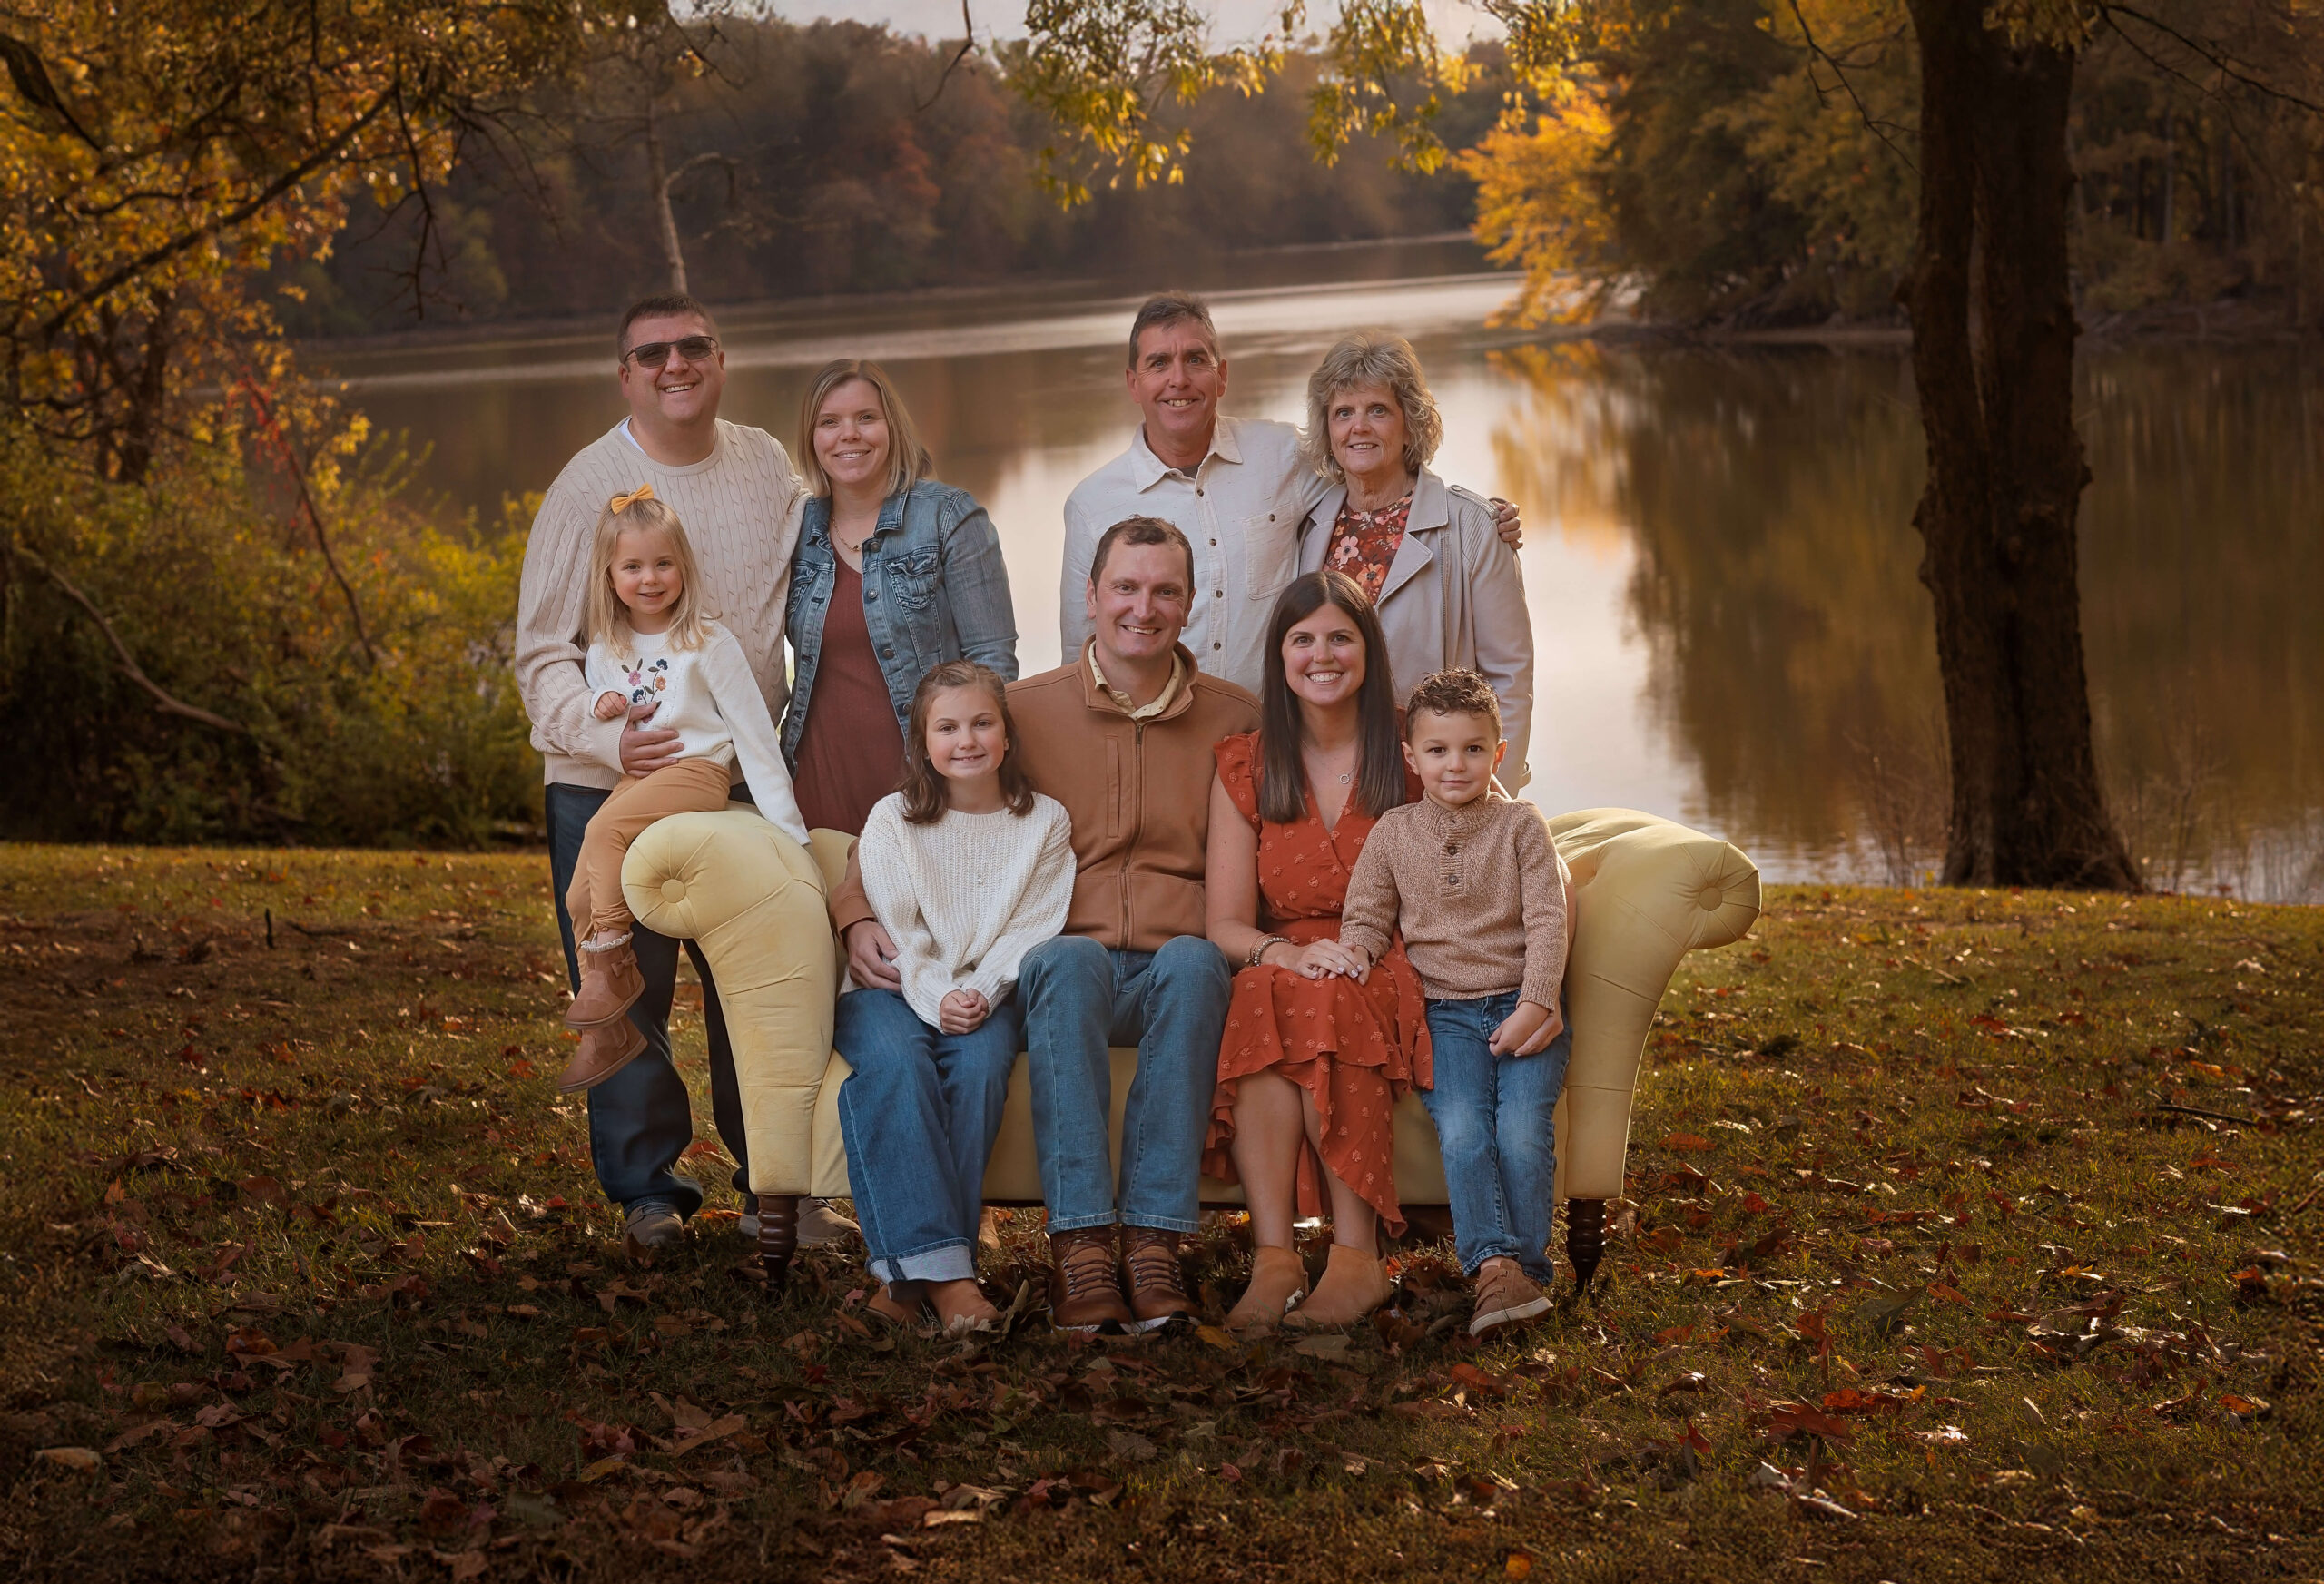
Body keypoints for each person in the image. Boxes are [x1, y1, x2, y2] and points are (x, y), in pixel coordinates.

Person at [832, 515, 1258, 1332]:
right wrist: (854, 914)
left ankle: (1155, 1245)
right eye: (1125, 587)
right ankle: (1083, 1248)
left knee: (1199, 961)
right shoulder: (1016, 712)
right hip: (1058, 968)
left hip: (1176, 964)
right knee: (1064, 960)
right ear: (1090, 595)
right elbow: (915, 823)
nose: (1144, 607)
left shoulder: (1235, 717)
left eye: (1165, 589)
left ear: (1191, 601)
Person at [515, 292, 847, 1257]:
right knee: (627, 980)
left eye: (692, 346)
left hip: (737, 770)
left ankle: (778, 1185)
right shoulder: (588, 487)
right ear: (625, 374)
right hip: (604, 779)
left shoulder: (764, 466)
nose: (675, 365)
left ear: (720, 357)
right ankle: (646, 1192)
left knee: (768, 981)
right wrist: (605, 740)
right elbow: (542, 648)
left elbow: (824, 576)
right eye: (651, 353)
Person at [1059, 292, 1521, 696]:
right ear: (1132, 383)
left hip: (1276, 742)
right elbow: (1079, 657)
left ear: (1221, 376)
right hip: (1159, 735)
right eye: (1158, 363)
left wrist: (1481, 517)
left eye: (1196, 360)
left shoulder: (1283, 455)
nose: (1178, 379)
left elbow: (1375, 469)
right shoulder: (1093, 504)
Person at [1202, 571, 1430, 1334]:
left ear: (1367, 650)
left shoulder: (1410, 748)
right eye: (1303, 639)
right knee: (1264, 988)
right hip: (1288, 957)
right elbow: (1226, 923)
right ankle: (1274, 1257)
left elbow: (1496, 829)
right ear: (1280, 655)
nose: (1321, 654)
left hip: (1389, 957)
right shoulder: (1245, 762)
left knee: (1329, 993)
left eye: (1340, 636)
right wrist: (1281, 952)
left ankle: (1356, 1260)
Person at [835, 662, 1073, 1335]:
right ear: (923, 740)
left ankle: (906, 1281)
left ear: (1006, 734)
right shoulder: (895, 818)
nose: (966, 740)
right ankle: (951, 1278)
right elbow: (900, 929)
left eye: (981, 722)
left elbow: (1035, 924)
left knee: (978, 1067)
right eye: (947, 726)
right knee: (899, 1065)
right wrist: (937, 993)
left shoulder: (1045, 822)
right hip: (887, 988)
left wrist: (981, 990)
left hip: (983, 995)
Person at [1336, 670, 1574, 1337]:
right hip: (1443, 1015)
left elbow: (1548, 920)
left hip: (1524, 1007)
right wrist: (1350, 954)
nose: (1455, 764)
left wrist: (1537, 1000)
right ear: (1411, 757)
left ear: (1498, 755)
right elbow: (1366, 917)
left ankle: (1522, 1272)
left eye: (1473, 748)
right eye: (1437, 750)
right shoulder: (1394, 831)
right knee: (1467, 1129)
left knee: (1523, 1130)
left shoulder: (1521, 825)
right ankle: (1495, 1267)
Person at [559, 487, 810, 1094]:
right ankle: (608, 1033)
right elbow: (608, 718)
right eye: (633, 566)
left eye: (663, 563)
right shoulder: (604, 649)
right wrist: (603, 705)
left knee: (601, 830)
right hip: (639, 780)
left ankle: (612, 970)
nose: (650, 578)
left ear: (684, 568)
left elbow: (754, 737)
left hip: (697, 773)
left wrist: (791, 832)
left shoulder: (708, 642)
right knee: (576, 897)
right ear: (610, 575)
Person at [783, 359, 1019, 840]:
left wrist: (965, 768)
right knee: (835, 910)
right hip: (817, 776)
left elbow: (994, 665)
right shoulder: (794, 528)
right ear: (812, 438)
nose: (849, 435)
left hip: (924, 778)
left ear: (892, 426)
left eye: (866, 418)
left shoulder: (949, 517)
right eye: (830, 422)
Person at [1295, 330, 1535, 787]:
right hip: (1332, 776)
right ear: (1328, 429)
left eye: (1378, 410)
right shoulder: (1305, 527)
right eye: (1343, 413)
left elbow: (1510, 677)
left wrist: (1487, 795)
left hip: (1442, 781)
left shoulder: (1474, 526)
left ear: (1411, 422)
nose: (1358, 427)